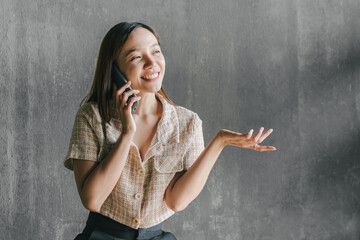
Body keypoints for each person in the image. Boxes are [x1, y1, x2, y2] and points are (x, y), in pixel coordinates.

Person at [64, 21, 276, 240]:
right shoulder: (91, 116)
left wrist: (220, 142)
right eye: (136, 57)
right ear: (114, 69)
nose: (151, 62)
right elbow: (92, 200)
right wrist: (127, 133)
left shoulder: (188, 123)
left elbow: (177, 201)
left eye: (156, 51)